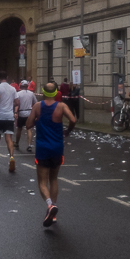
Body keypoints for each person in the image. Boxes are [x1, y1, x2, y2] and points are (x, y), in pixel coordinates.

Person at [28, 81, 76, 227]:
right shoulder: (61, 106)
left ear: (43, 92)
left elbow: (28, 125)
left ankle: (50, 205)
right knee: (53, 179)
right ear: (56, 93)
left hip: (42, 148)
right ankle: (52, 213)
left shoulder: (38, 106)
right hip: (57, 147)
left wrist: (37, 120)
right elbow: (73, 120)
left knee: (42, 182)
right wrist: (68, 130)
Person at [16, 80, 37, 152]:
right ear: (27, 86)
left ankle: (17, 143)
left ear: (21, 86)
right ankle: (29, 145)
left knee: (19, 128)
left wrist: (15, 112)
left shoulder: (18, 94)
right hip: (29, 113)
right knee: (29, 129)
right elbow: (35, 103)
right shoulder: (31, 94)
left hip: (21, 112)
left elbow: (16, 103)